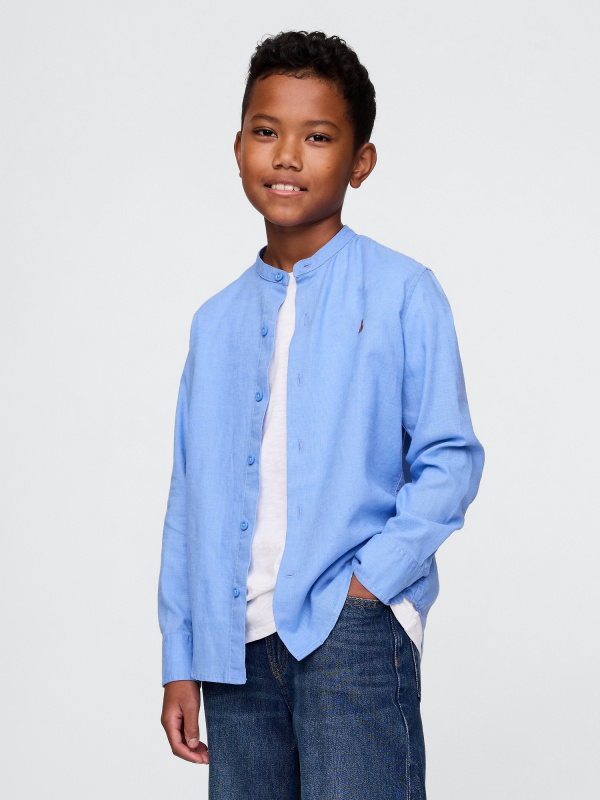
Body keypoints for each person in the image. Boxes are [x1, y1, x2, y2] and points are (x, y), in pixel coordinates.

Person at [158, 29, 485, 799]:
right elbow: (188, 500)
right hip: (233, 648)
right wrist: (182, 655)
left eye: (317, 137)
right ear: (238, 147)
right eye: (267, 132)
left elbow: (450, 458)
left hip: (351, 633)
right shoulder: (215, 322)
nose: (287, 156)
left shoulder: (403, 292)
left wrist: (370, 588)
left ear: (360, 162)